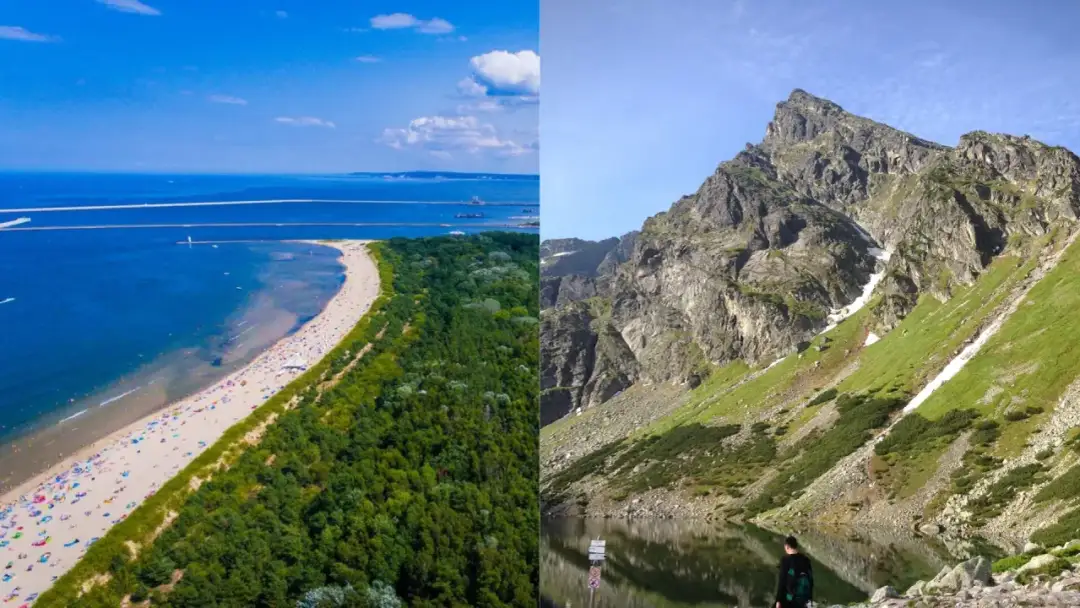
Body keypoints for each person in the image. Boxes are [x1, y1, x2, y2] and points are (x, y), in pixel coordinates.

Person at [775, 536, 813, 608]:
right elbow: (810, 580)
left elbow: (782, 581)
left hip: (789, 599)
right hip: (803, 599)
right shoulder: (806, 560)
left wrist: (778, 600)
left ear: (787, 547)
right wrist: (809, 600)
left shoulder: (785, 560)